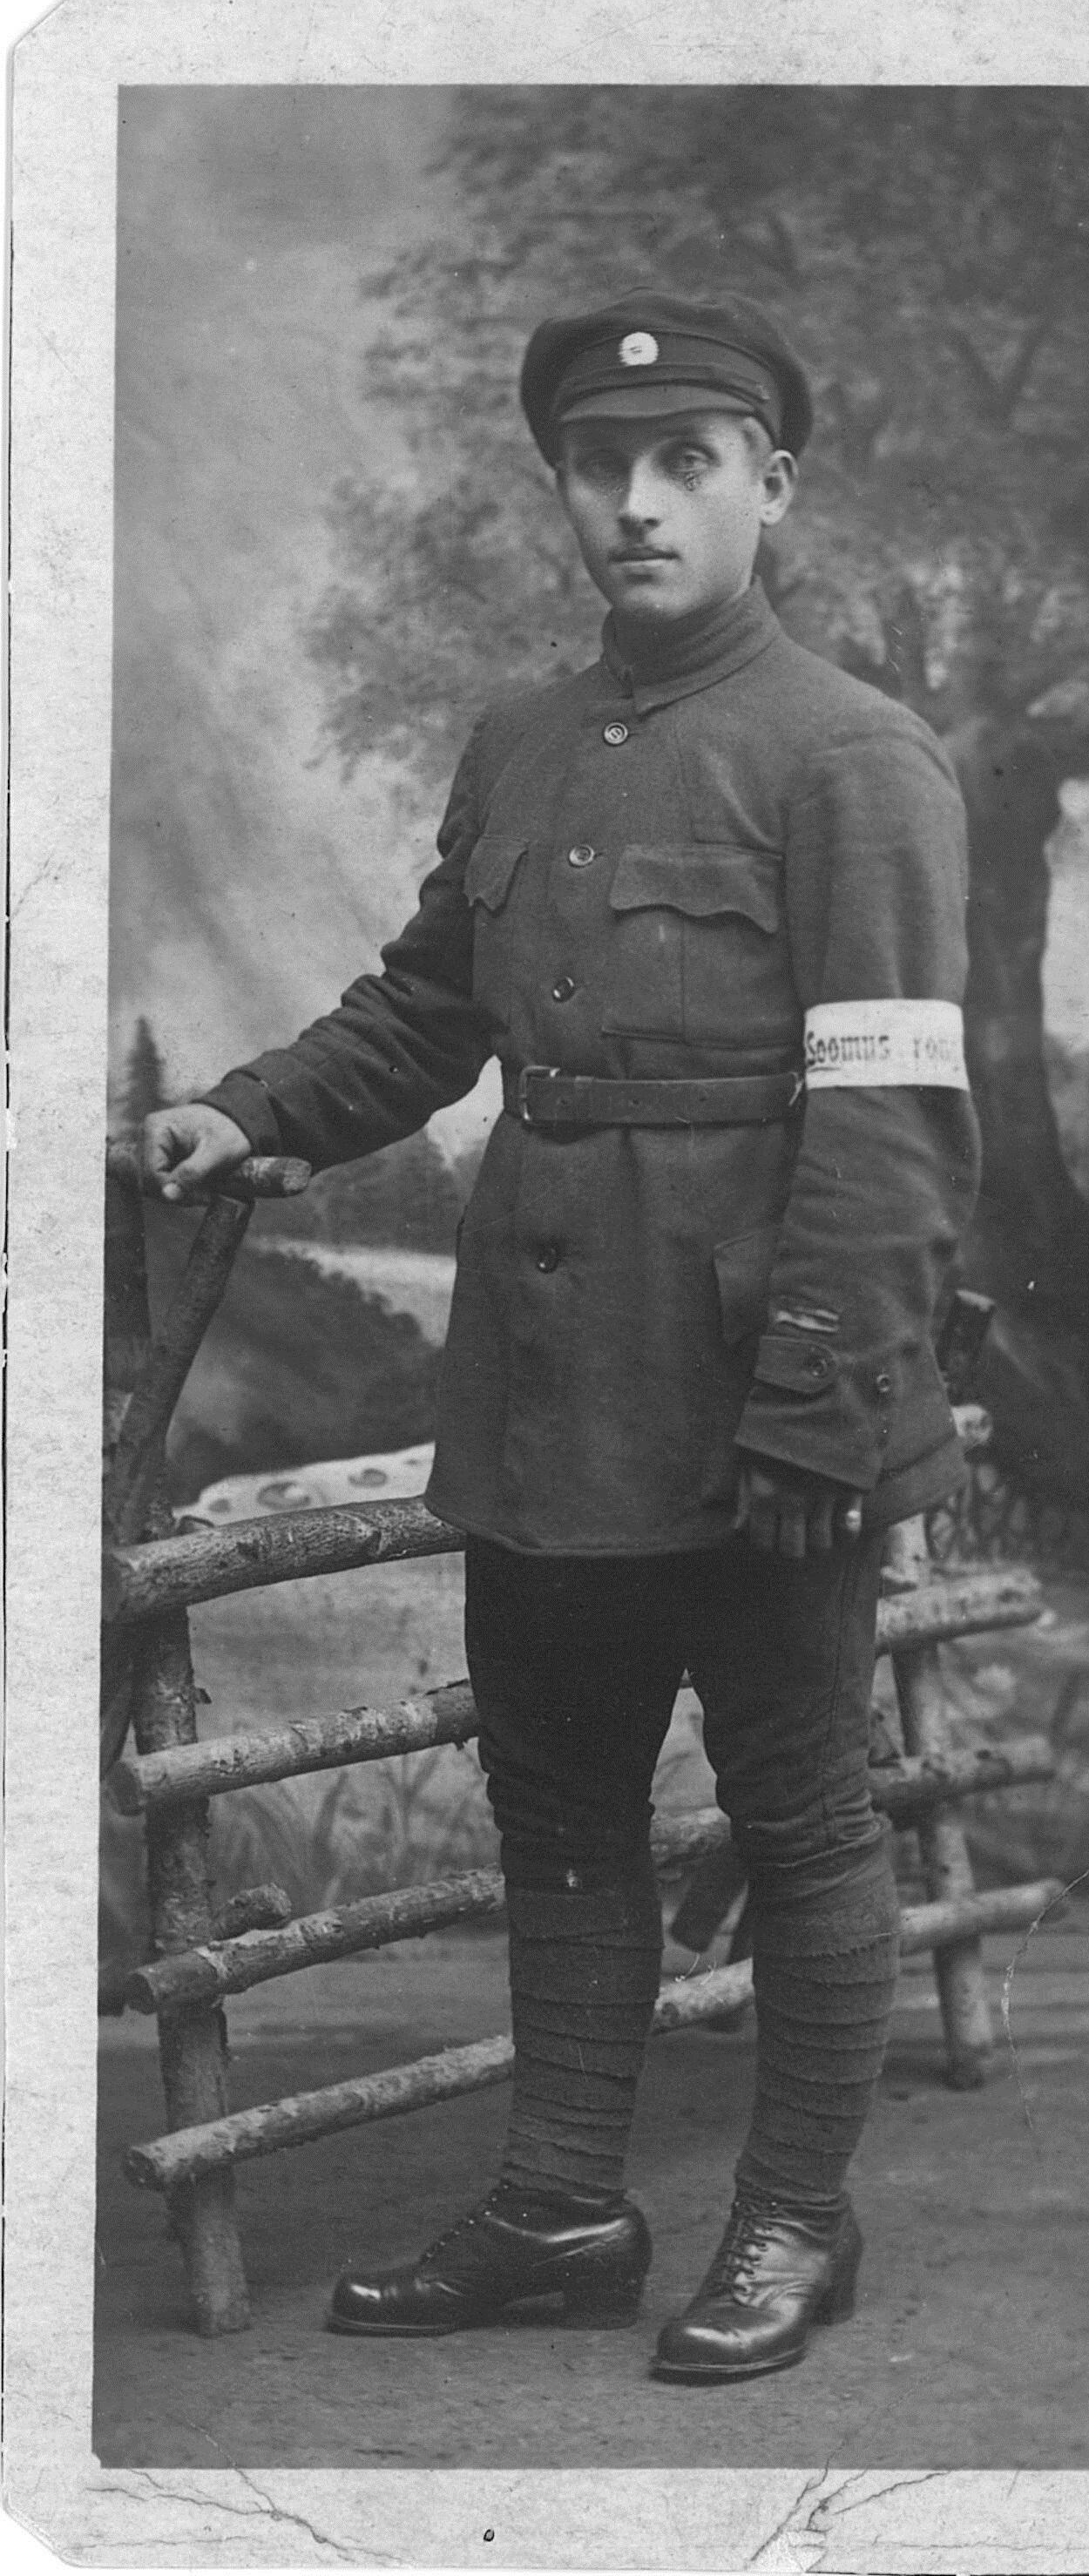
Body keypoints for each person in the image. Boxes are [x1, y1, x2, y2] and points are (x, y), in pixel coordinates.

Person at [144, 290, 980, 2384]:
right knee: (563, 1802)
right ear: (561, 491)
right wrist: (246, 1110)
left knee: (796, 1809)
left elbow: (893, 1125)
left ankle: (798, 2217)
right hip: (543, 1395)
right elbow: (431, 1009)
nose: (637, 503)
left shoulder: (854, 756)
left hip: (757, 1402)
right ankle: (561, 2205)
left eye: (687, 462)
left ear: (772, 485)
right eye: (600, 467)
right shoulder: (522, 738)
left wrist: (819, 1408)